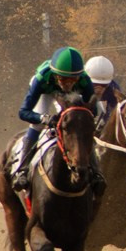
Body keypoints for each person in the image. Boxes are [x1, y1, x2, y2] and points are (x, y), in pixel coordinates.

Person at [14, 46, 95, 176]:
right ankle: (22, 170)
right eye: (63, 79)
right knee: (37, 125)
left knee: (80, 126)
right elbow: (23, 112)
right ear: (55, 75)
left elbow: (93, 112)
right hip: (45, 92)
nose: (68, 84)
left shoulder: (85, 80)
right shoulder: (40, 79)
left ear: (78, 77)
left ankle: (95, 170)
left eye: (72, 80)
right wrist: (44, 118)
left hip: (70, 96)